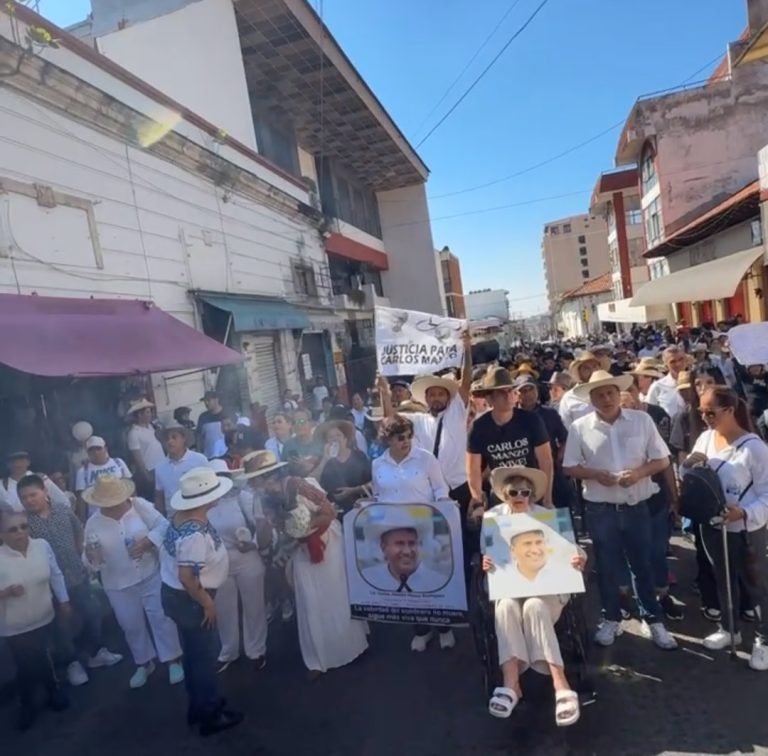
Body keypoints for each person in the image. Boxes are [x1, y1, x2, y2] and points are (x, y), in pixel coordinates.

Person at [562, 370, 678, 650]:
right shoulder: (580, 428)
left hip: (636, 504)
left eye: (610, 393)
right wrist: (594, 474)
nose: (606, 398)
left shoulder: (641, 420)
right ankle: (611, 617)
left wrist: (638, 473)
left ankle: (653, 619)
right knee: (607, 565)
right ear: (591, 399)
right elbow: (569, 467)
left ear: (618, 393)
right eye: (599, 394)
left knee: (642, 563)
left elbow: (662, 460)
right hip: (601, 507)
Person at [239, 451, 368, 679]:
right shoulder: (262, 499)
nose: (252, 484)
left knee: (333, 593)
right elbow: (266, 531)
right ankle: (317, 658)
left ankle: (347, 648)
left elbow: (328, 512)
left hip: (326, 541)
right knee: (309, 597)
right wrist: (266, 536)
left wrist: (305, 526)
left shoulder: (300, 485)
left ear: (268, 475)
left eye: (255, 479)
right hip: (298, 547)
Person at [482, 466, 584, 726]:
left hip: (547, 591)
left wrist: (579, 557)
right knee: (505, 606)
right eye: (513, 491)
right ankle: (511, 683)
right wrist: (486, 562)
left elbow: (575, 550)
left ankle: (560, 684)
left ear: (532, 495)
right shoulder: (493, 518)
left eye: (525, 492)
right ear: (505, 494)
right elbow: (490, 553)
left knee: (535, 606)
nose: (519, 496)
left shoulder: (547, 516)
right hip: (510, 588)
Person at [681, 387, 768, 669]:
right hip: (712, 525)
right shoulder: (705, 439)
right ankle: (729, 629)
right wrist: (688, 465)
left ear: (730, 410)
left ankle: (763, 639)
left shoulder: (755, 448)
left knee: (757, 586)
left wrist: (744, 512)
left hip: (745, 529)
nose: (705, 417)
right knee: (722, 578)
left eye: (711, 412)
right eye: (701, 412)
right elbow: (692, 475)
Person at [159, 467, 243, 736]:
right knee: (204, 657)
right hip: (192, 599)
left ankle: (199, 705)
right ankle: (209, 714)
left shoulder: (181, 518)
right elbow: (187, 576)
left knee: (194, 655)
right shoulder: (195, 534)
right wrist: (207, 602)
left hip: (178, 597)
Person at [19, 475, 123, 687]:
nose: (29, 500)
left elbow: (78, 529)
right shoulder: (23, 524)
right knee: (62, 625)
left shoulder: (62, 509)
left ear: (45, 492)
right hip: (49, 584)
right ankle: (72, 663)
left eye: (33, 494)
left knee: (92, 612)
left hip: (76, 574)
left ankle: (94, 653)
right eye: (24, 498)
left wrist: (79, 552)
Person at [82, 476, 184, 689]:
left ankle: (173, 659)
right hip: (117, 583)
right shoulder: (93, 522)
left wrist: (148, 541)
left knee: (161, 618)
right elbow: (88, 557)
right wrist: (92, 558)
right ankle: (144, 663)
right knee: (131, 625)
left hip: (150, 573)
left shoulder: (139, 506)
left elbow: (164, 525)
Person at [371, 416, 454, 651]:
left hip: (425, 528)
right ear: (388, 439)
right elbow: (378, 495)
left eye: (409, 436)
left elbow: (440, 487)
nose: (406, 441)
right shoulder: (378, 464)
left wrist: (444, 504)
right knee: (407, 580)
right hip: (394, 531)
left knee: (431, 577)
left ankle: (444, 627)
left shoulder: (426, 458)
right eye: (400, 437)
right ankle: (421, 630)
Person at [0, 505, 70, 730]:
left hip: (44, 615)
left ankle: (52, 692)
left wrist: (64, 600)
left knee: (43, 657)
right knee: (26, 664)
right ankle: (28, 704)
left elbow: (56, 573)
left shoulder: (42, 546)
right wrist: (6, 592)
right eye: (12, 529)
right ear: (2, 534)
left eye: (23, 526)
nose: (20, 532)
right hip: (14, 624)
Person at [620, 380, 682, 621]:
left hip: (655, 500)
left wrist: (674, 498)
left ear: (638, 400)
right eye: (622, 407)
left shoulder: (650, 426)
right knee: (628, 553)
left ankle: (662, 595)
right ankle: (626, 597)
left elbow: (666, 463)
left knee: (656, 552)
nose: (627, 411)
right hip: (625, 503)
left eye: (630, 404)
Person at [206, 460, 272, 674]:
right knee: (224, 609)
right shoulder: (205, 504)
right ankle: (228, 651)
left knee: (254, 605)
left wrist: (253, 542)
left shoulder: (244, 498)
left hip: (247, 557)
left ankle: (256, 650)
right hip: (218, 561)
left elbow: (262, 525)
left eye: (222, 475)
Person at [467, 367, 553, 508]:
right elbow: (473, 469)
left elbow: (546, 461)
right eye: (501, 392)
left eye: (510, 391)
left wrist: (547, 498)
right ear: (489, 398)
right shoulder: (478, 427)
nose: (508, 396)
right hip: (501, 493)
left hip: (531, 491)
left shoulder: (531, 420)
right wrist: (477, 500)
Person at [513, 374, 573, 511]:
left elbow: (564, 438)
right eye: (523, 391)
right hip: (522, 475)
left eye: (531, 389)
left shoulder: (550, 413)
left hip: (551, 472)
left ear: (537, 391)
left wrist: (560, 456)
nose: (528, 394)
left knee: (559, 513)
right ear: (516, 394)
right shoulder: (511, 416)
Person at [361, 507, 446, 593]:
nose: (407, 551)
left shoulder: (439, 583)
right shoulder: (367, 579)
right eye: (399, 544)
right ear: (383, 547)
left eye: (412, 543)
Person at [154, 422, 210, 517]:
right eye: (167, 439)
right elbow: (159, 497)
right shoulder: (160, 467)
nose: (170, 441)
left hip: (199, 517)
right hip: (173, 519)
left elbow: (210, 489)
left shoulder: (199, 460)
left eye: (174, 437)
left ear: (183, 439)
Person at [316, 420, 372, 512]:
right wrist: (325, 459)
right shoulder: (324, 460)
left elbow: (372, 482)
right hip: (334, 511)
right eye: (331, 437)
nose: (335, 439)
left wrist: (353, 490)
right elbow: (314, 481)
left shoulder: (359, 456)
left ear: (345, 439)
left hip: (359, 508)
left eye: (338, 435)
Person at [74, 436, 132, 520]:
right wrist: (83, 521)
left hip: (123, 513)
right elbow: (81, 500)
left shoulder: (119, 463)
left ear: (105, 449)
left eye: (98, 448)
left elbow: (129, 486)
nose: (95, 452)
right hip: (97, 517)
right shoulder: (82, 472)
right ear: (88, 453)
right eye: (91, 450)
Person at [0, 450, 71, 512]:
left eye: (22, 460)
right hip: (17, 526)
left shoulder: (41, 478)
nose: (18, 463)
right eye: (14, 461)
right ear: (7, 464)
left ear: (28, 462)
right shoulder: (2, 485)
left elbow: (63, 502)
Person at [126, 399, 165, 499]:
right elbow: (137, 456)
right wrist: (146, 474)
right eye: (147, 412)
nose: (150, 414)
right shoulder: (134, 433)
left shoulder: (151, 427)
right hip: (151, 469)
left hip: (162, 465)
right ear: (139, 415)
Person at [559, 352, 602, 430]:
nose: (592, 371)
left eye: (595, 367)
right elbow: (566, 428)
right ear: (579, 372)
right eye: (586, 368)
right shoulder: (569, 398)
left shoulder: (610, 393)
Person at [646, 346, 687, 421]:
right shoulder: (658, 386)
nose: (678, 364)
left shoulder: (696, 383)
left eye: (681, 359)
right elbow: (649, 413)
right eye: (673, 362)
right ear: (666, 365)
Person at [281, 409, 324, 476]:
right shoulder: (288, 445)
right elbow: (283, 472)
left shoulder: (321, 442)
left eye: (302, 421)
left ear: (311, 423)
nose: (298, 425)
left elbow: (327, 470)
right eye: (294, 422)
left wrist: (304, 464)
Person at [197, 390, 228, 460]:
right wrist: (199, 453)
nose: (206, 403)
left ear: (216, 399)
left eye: (208, 400)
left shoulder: (226, 414)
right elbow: (198, 436)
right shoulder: (203, 417)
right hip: (208, 457)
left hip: (225, 455)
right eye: (204, 401)